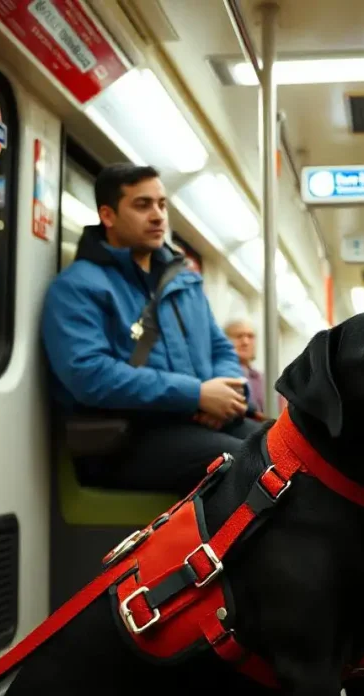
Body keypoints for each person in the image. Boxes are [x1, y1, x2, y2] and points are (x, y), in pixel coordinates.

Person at [41, 163, 262, 495]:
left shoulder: (185, 282)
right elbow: (89, 375)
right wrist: (197, 395)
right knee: (242, 462)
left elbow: (221, 348)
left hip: (195, 423)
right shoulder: (78, 287)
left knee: (288, 446)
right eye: (142, 205)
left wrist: (227, 395)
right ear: (108, 215)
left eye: (161, 204)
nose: (158, 216)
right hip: (125, 439)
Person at [223, 318, 286, 417]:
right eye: (239, 336)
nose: (245, 342)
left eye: (250, 336)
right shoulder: (219, 375)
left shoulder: (267, 380)